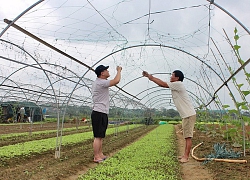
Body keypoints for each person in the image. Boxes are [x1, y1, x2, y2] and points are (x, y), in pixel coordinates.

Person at [142, 70, 196, 163]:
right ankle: (184, 155)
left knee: (188, 137)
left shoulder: (178, 84)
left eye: (172, 75)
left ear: (177, 78)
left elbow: (163, 84)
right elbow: (163, 83)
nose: (171, 77)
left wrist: (151, 77)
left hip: (188, 115)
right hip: (186, 115)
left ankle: (186, 157)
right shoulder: (176, 85)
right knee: (186, 136)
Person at [91, 65, 122, 163]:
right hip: (98, 112)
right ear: (102, 73)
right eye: (106, 70)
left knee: (101, 135)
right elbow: (116, 81)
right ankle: (96, 156)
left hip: (102, 112)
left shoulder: (100, 82)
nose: (108, 71)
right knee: (97, 136)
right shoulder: (101, 82)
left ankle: (100, 154)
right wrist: (119, 70)